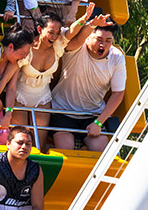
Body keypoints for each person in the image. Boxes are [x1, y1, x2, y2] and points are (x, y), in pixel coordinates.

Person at [4, 6, 111, 152]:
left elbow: (76, 35)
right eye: (51, 32)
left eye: (57, 33)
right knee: (21, 140)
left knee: (38, 146)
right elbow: (8, 84)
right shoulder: (26, 50)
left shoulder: (58, 46)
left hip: (43, 99)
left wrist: (88, 21)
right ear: (40, 30)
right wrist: (6, 110)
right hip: (20, 97)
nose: (54, 36)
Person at [48, 23, 127, 152]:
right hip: (62, 110)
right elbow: (74, 38)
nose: (103, 45)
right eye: (99, 40)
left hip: (93, 114)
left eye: (108, 41)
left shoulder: (117, 58)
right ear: (88, 37)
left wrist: (99, 123)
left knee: (100, 149)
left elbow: (118, 93)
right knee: (65, 147)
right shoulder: (76, 48)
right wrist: (91, 23)